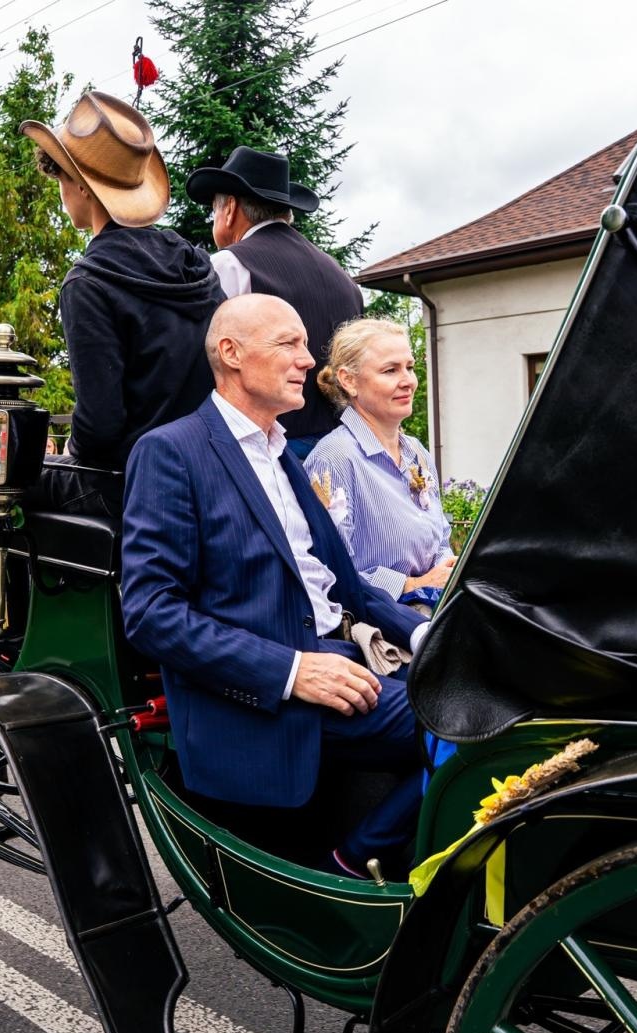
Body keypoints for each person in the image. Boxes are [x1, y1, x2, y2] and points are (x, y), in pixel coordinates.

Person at [122, 294, 430, 879]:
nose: (308, 361)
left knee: (494, 695)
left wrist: (428, 635)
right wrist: (293, 671)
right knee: (467, 725)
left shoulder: (281, 450)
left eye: (305, 345)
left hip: (343, 663)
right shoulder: (171, 452)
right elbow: (151, 614)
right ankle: (351, 866)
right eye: (289, 343)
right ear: (232, 353)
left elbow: (348, 587)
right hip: (265, 698)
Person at [20, 91, 223, 476]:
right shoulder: (194, 262)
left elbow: (100, 426)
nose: (61, 191)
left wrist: (70, 449)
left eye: (61, 177)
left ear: (82, 186)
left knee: (4, 482)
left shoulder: (88, 283)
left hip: (135, 478)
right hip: (211, 463)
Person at [187, 147, 364, 458]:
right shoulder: (342, 277)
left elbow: (204, 364)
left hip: (264, 449)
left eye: (215, 209)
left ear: (230, 209)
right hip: (340, 449)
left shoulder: (229, 264)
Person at [304, 319, 454, 614]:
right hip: (383, 623)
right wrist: (412, 584)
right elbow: (329, 570)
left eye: (409, 367)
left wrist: (446, 569)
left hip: (437, 612)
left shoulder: (417, 453)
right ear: (349, 381)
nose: (408, 381)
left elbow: (441, 540)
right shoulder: (334, 460)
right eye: (390, 370)